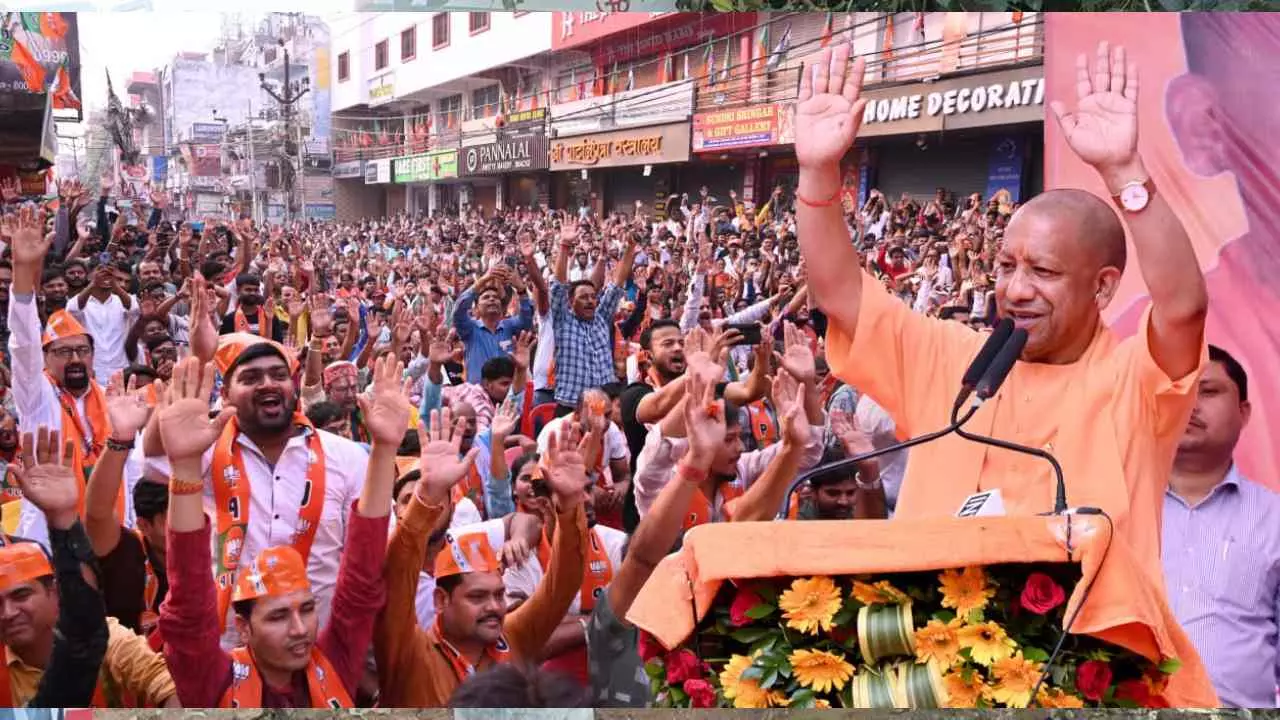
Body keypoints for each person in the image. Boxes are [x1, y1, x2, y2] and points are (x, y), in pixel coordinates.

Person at [797, 43, 1208, 581]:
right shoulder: (951, 359)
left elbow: (1182, 308)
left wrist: (1126, 173)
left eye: (1043, 272)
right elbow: (839, 295)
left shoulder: (1134, 383)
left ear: (1103, 288)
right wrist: (818, 171)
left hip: (1078, 658)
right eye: (1006, 266)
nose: (1014, 290)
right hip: (926, 653)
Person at [156, 354, 402, 708]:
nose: (300, 630)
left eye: (306, 610)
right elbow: (188, 610)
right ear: (244, 629)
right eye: (277, 617)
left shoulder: (333, 663)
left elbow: (361, 585)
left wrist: (384, 451)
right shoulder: (212, 683)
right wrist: (185, 467)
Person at [141, 333, 367, 650]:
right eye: (250, 378)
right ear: (225, 394)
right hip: (227, 648)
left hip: (319, 646)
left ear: (294, 386)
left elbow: (365, 556)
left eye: (278, 375)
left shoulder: (347, 456)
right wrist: (199, 358)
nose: (267, 384)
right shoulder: (203, 451)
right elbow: (152, 456)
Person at [375, 410, 589, 707]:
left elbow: (562, 586)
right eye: (477, 597)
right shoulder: (410, 654)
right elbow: (396, 579)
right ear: (440, 601)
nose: (494, 607)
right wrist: (425, 499)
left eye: (499, 595)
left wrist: (569, 504)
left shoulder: (512, 635)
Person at [2, 427, 176, 708]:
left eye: (21, 596)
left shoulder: (108, 638)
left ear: (55, 593)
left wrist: (62, 517)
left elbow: (163, 684)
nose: (8, 613)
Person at [1161, 346, 1280, 708]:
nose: (1189, 405)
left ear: (1244, 413)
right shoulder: (1116, 510)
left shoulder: (1274, 519)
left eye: (1208, 391)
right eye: (1176, 392)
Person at [6, 208, 127, 549]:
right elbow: (24, 341)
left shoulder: (110, 397)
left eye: (82, 350)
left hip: (111, 535)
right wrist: (23, 274)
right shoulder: (37, 394)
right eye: (63, 352)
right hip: (49, 538)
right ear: (45, 358)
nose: (75, 359)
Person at [452, 265, 533, 383]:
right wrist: (483, 280)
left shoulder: (509, 326)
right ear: (477, 308)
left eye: (495, 297)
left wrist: (521, 289)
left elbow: (527, 320)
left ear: (501, 307)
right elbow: (458, 311)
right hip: (478, 395)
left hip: (508, 394)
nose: (491, 299)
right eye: (486, 297)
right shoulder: (470, 329)